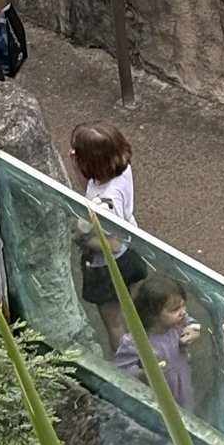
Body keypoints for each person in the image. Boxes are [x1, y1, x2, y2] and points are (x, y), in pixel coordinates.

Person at [68, 120, 149, 348]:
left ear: (90, 162)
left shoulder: (105, 204)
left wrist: (81, 238)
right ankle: (142, 350)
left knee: (114, 322)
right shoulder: (120, 171)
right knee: (132, 311)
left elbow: (112, 244)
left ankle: (125, 364)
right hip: (130, 252)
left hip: (109, 265)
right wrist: (77, 166)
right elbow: (91, 186)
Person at [113, 273, 199, 412]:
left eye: (183, 305)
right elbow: (120, 372)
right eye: (175, 309)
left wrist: (194, 331)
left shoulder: (178, 323)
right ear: (152, 315)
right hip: (155, 392)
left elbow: (191, 323)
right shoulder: (135, 342)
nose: (183, 312)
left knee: (187, 409)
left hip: (182, 380)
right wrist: (143, 371)